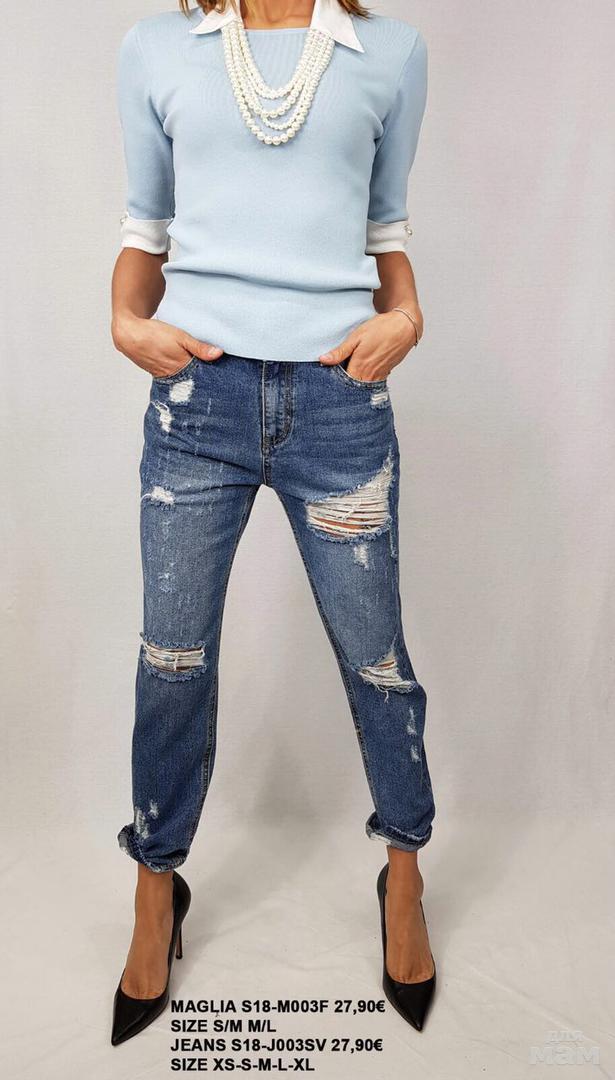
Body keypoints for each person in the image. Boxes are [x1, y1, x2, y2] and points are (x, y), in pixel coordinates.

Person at [110, 0, 437, 1045]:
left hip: (340, 399)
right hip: (196, 402)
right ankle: (155, 885)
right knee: (171, 659)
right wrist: (124, 320)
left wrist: (407, 316)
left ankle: (403, 873)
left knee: (375, 657)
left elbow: (385, 231)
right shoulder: (157, 47)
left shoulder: (390, 52)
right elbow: (145, 228)